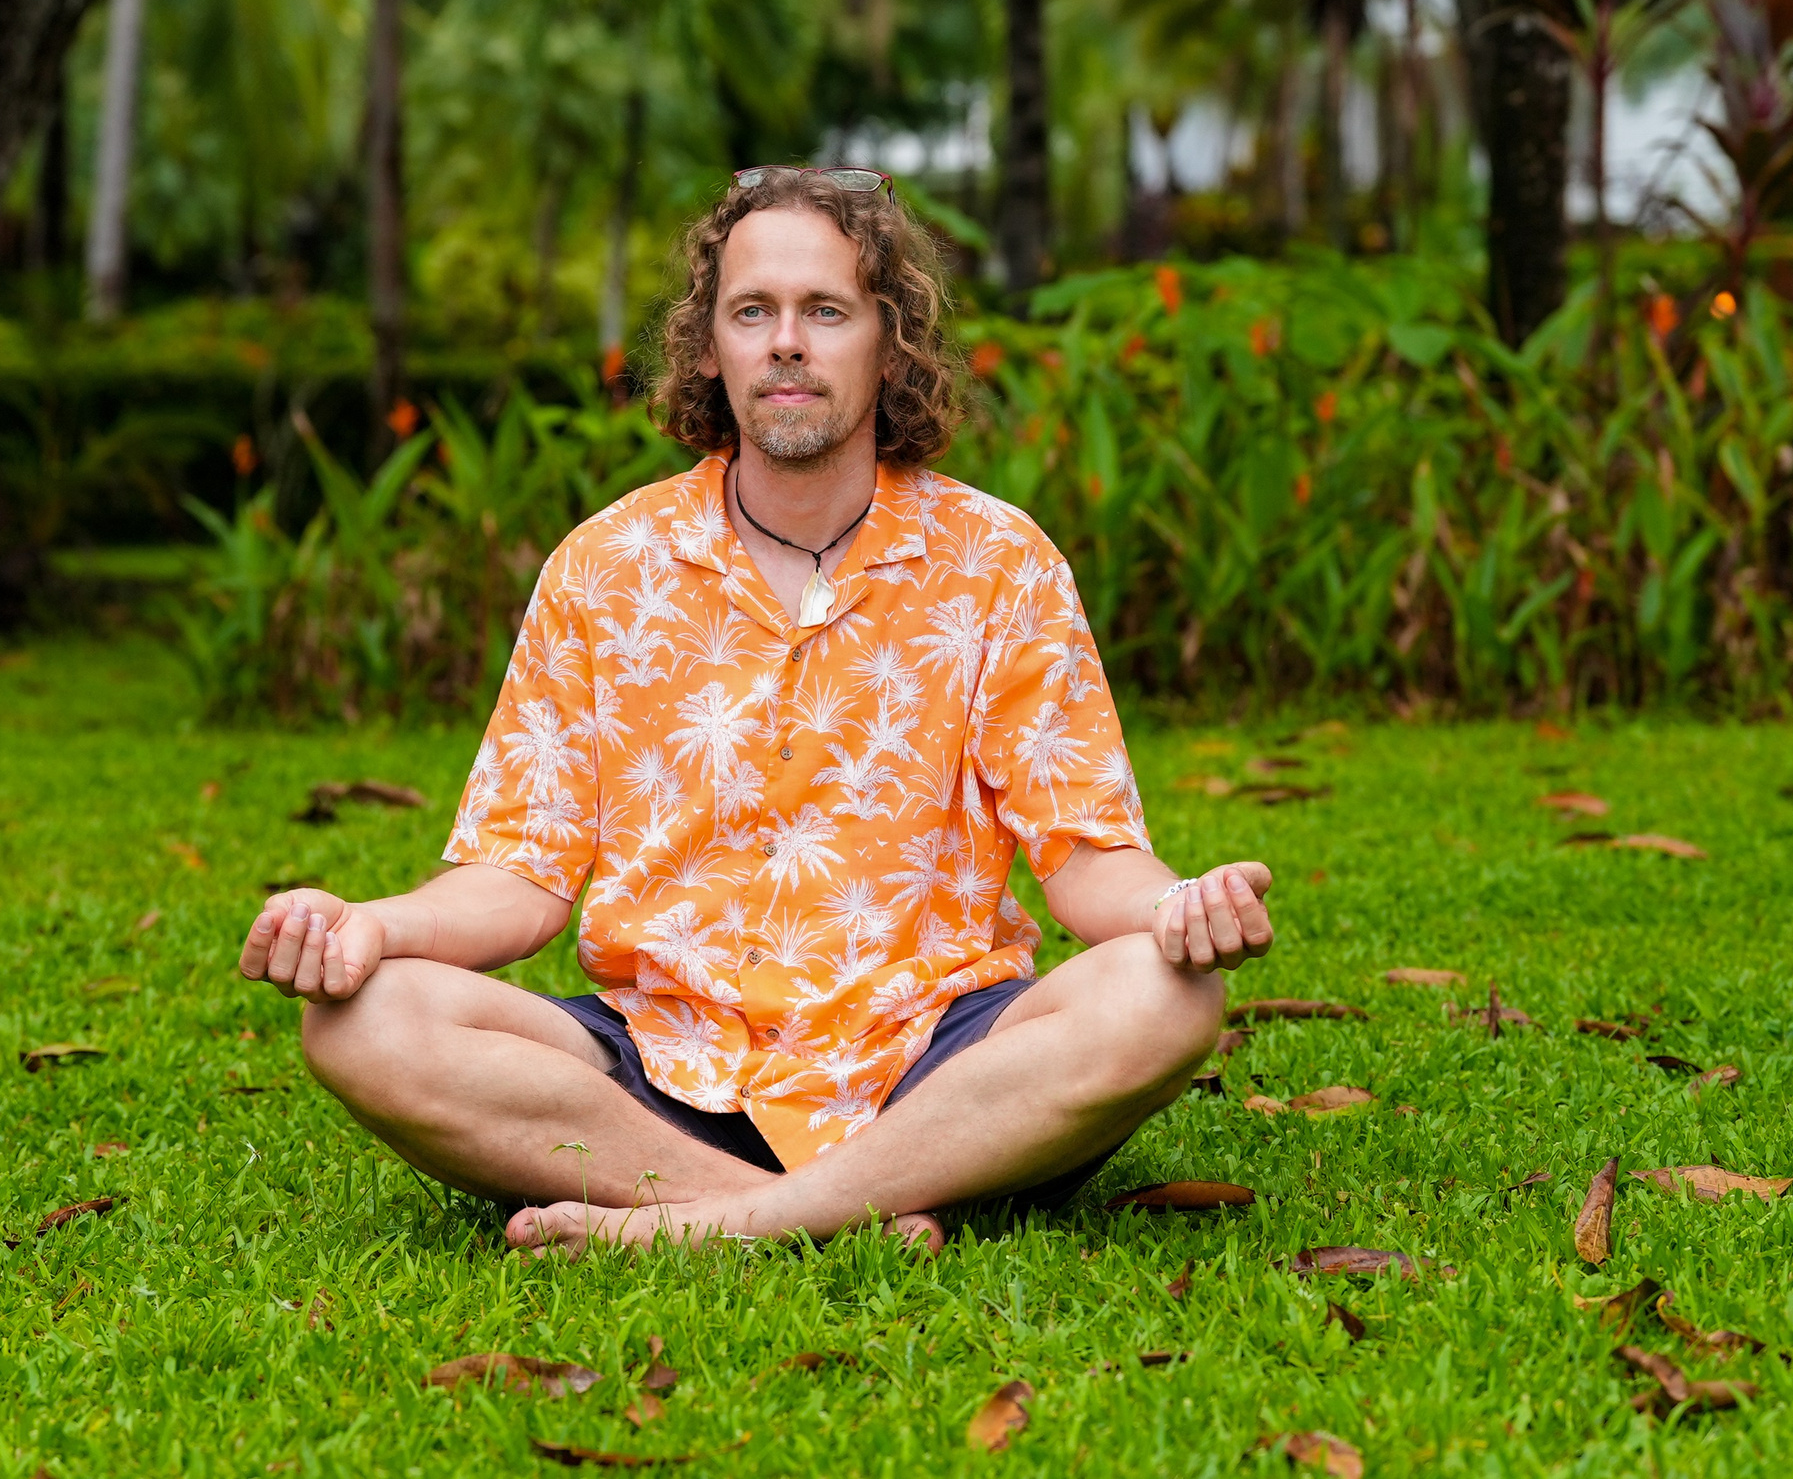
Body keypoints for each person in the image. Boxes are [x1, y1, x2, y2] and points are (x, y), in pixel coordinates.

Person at [236, 166, 1274, 1254]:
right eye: (752, 312)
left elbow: (1085, 858)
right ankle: (825, 1214)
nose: (787, 341)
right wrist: (372, 926)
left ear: (889, 340)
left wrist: (1178, 910)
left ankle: (708, 1228)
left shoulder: (998, 562)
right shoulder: (605, 567)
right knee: (366, 1018)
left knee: (1168, 999)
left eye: (825, 311)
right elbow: (521, 875)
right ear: (711, 347)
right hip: (661, 1061)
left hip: (935, 1058)